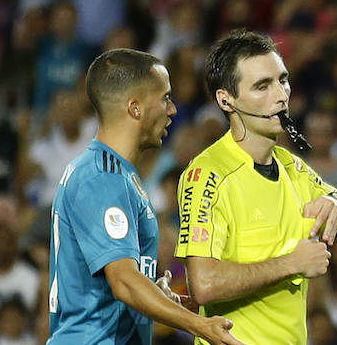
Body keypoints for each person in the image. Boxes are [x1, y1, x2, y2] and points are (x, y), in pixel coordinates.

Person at [175, 30, 337, 345]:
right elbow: (203, 283)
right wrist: (290, 264)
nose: (281, 95)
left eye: (282, 80)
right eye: (262, 86)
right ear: (225, 100)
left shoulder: (293, 168)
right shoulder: (208, 175)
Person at [46, 48, 243, 345]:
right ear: (135, 108)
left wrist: (157, 294)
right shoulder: (103, 178)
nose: (172, 109)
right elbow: (124, 282)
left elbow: (119, 283)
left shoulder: (114, 174)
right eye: (164, 98)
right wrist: (200, 326)